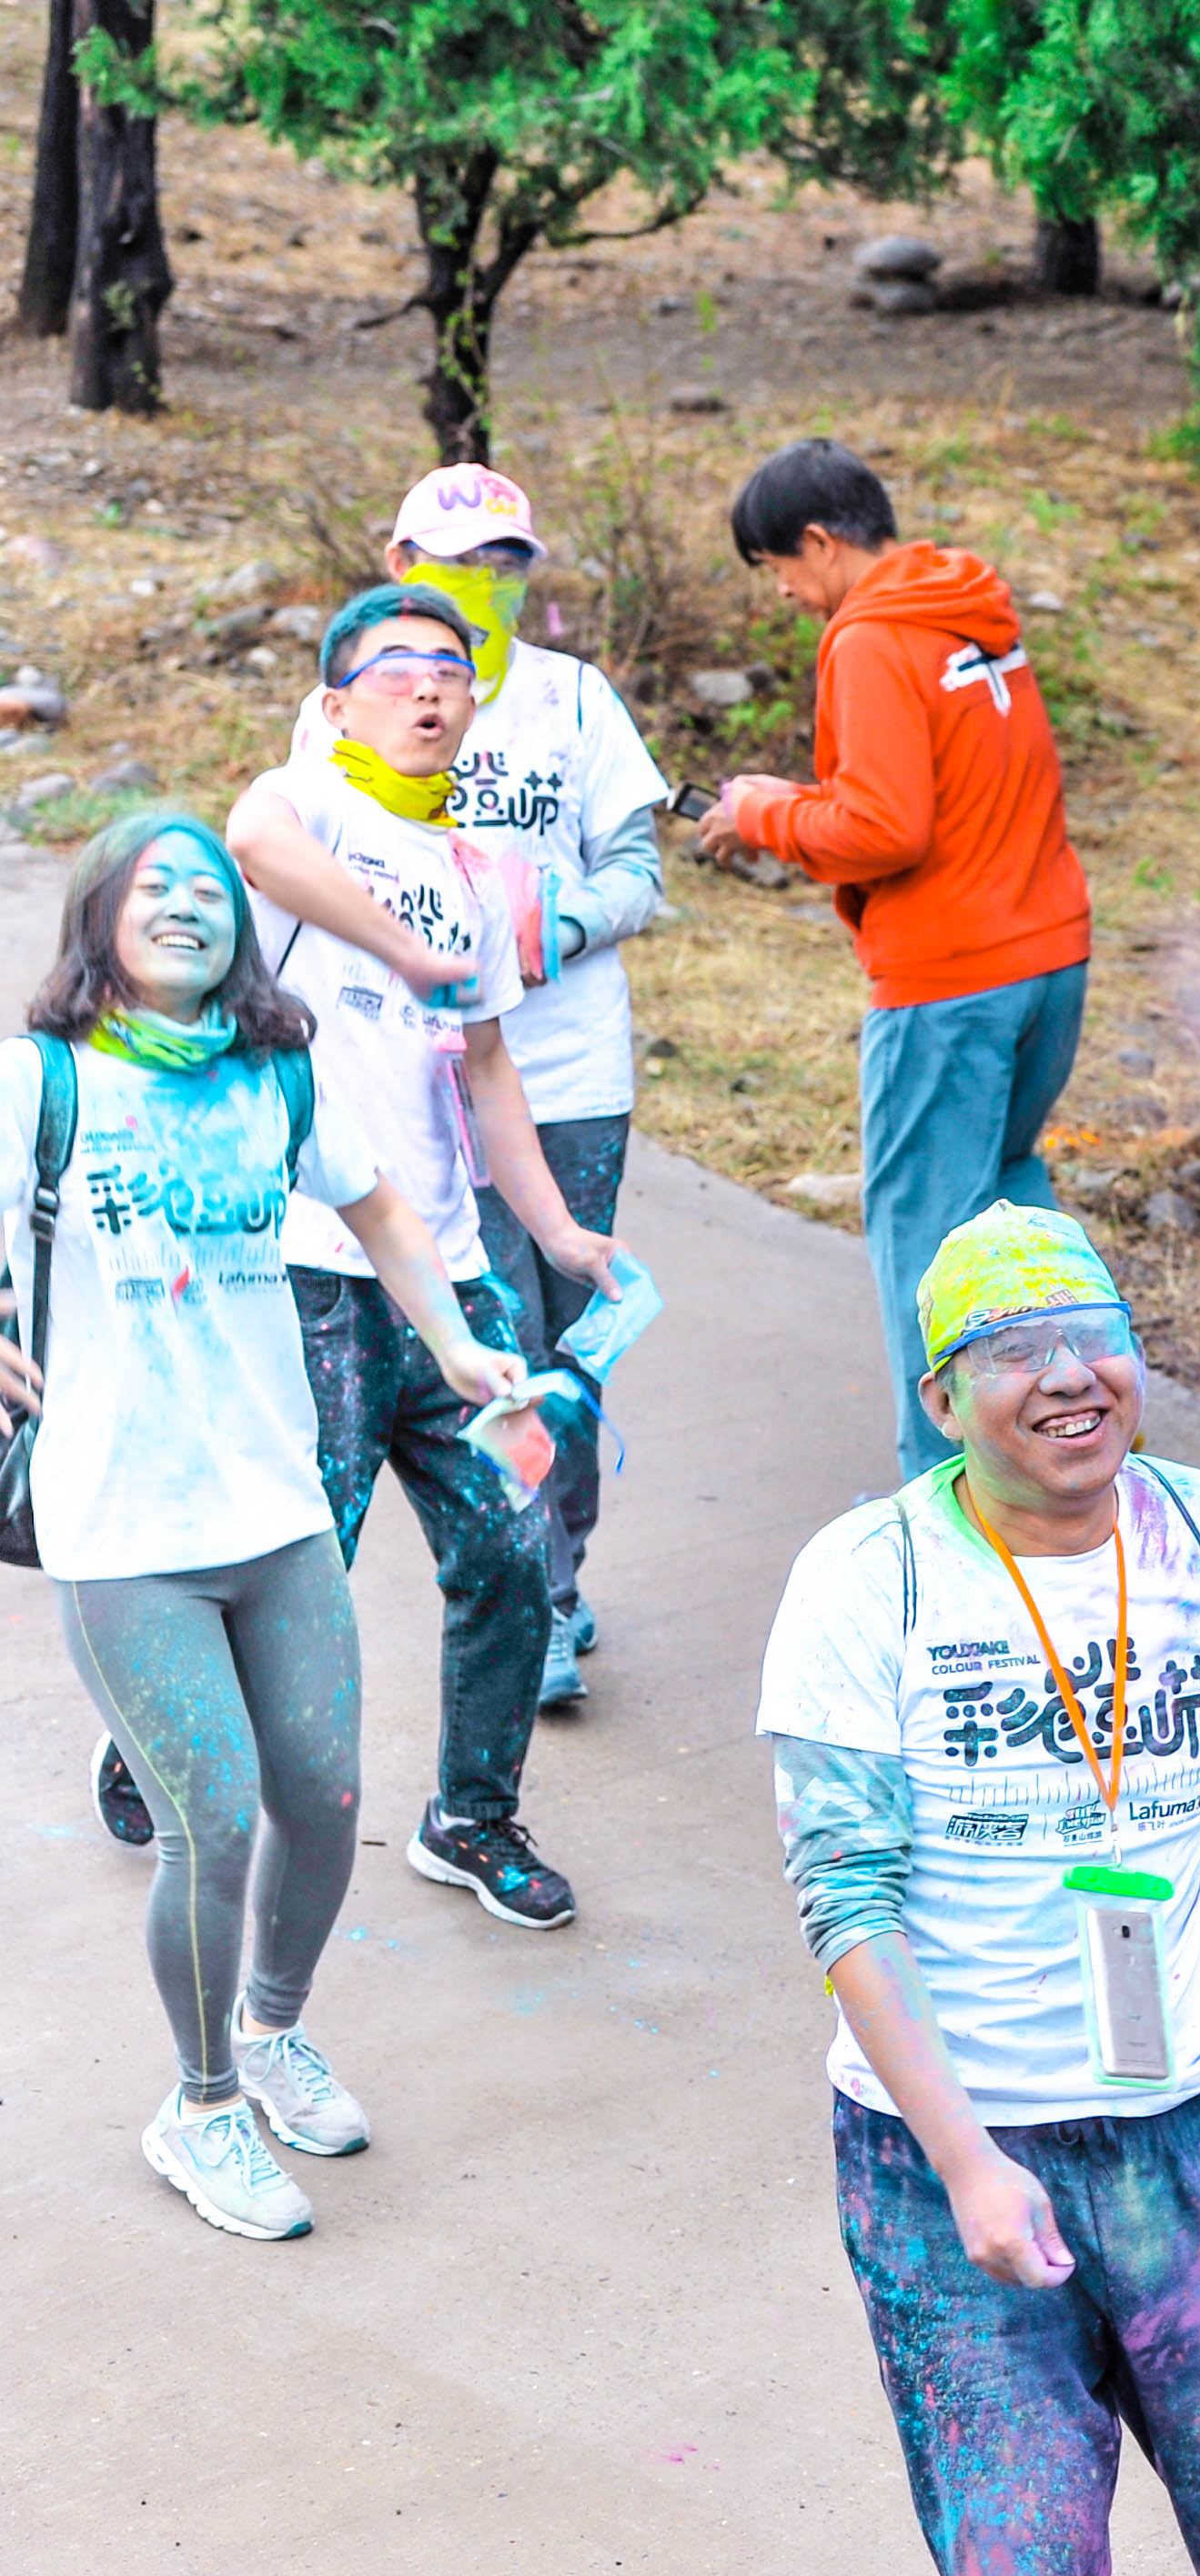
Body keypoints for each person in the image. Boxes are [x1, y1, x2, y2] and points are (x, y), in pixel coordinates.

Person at [758, 1202, 1200, 2576]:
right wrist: (966, 2165)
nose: (1068, 1376)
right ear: (942, 1401)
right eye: (1014, 1351)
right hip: (950, 2157)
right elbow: (848, 1902)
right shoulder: (867, 1581)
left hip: (1193, 2129)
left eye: (1093, 1337)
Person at [10, 813, 523, 2239]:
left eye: (211, 888)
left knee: (326, 1797)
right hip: (122, 1526)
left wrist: (456, 1342)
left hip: (274, 1507)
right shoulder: (43, 1081)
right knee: (215, 1821)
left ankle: (276, 2032)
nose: (188, 903)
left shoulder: (277, 1077)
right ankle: (202, 2105)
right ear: (100, 916)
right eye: (154, 884)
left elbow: (384, 1214)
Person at [223, 586, 630, 1935]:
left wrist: (556, 1230)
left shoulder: (475, 870)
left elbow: (490, 1069)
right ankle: (165, 1738)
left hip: (456, 1281)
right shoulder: (314, 803)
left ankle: (471, 1817)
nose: (430, 688)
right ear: (337, 704)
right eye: (397, 668)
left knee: (511, 1552)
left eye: (452, 669)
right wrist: (400, 949)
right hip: (310, 1265)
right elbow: (251, 840)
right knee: (304, 1552)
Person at [287, 462, 670, 1714]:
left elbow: (638, 868)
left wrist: (558, 923)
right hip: (408, 1097)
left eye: (507, 563)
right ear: (403, 566)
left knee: (564, 1337)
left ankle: (556, 1575)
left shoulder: (570, 697)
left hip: (561, 1070)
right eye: (458, 565)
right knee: (474, 1355)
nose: (484, 585)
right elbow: (281, 854)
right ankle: (531, 1596)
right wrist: (408, 952)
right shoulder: (355, 704)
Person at [699, 437, 1093, 1479]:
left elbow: (883, 828)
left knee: (927, 1246)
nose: (784, 593)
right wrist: (789, 805)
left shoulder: (870, 637)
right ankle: (1080, 1439)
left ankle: (951, 1490)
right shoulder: (966, 606)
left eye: (777, 567)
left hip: (949, 983)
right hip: (1049, 957)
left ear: (819, 543)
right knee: (1009, 1196)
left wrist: (763, 813)